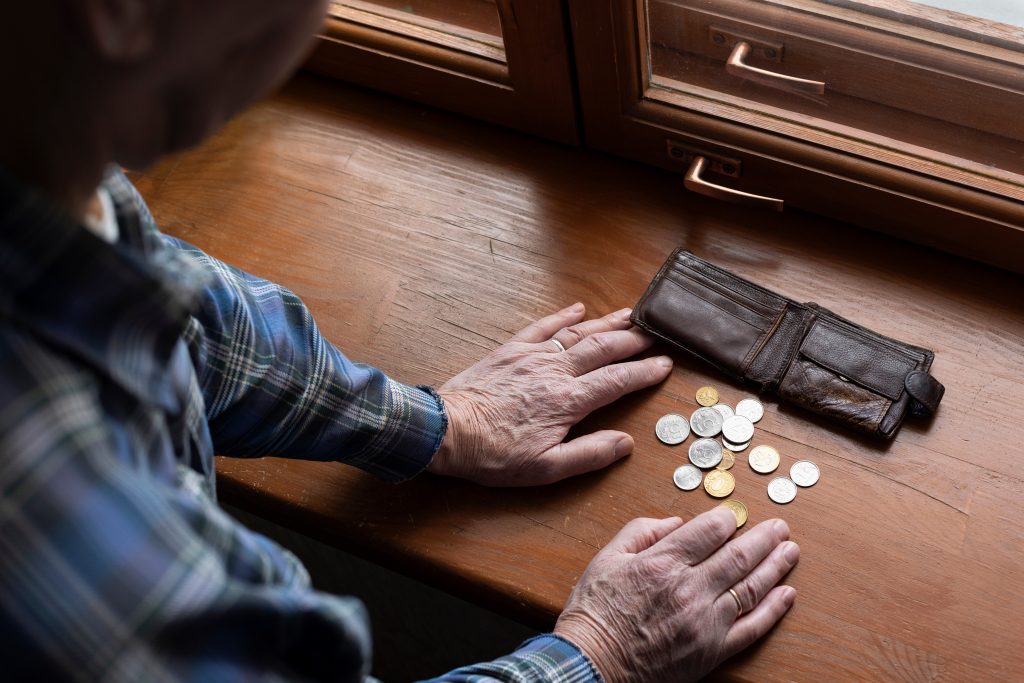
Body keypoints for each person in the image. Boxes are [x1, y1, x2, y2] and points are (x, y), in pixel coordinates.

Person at [0, 2, 800, 681]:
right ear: (122, 11)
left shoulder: (42, 148)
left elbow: (182, 313)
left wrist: (433, 422)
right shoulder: (52, 505)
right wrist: (600, 654)